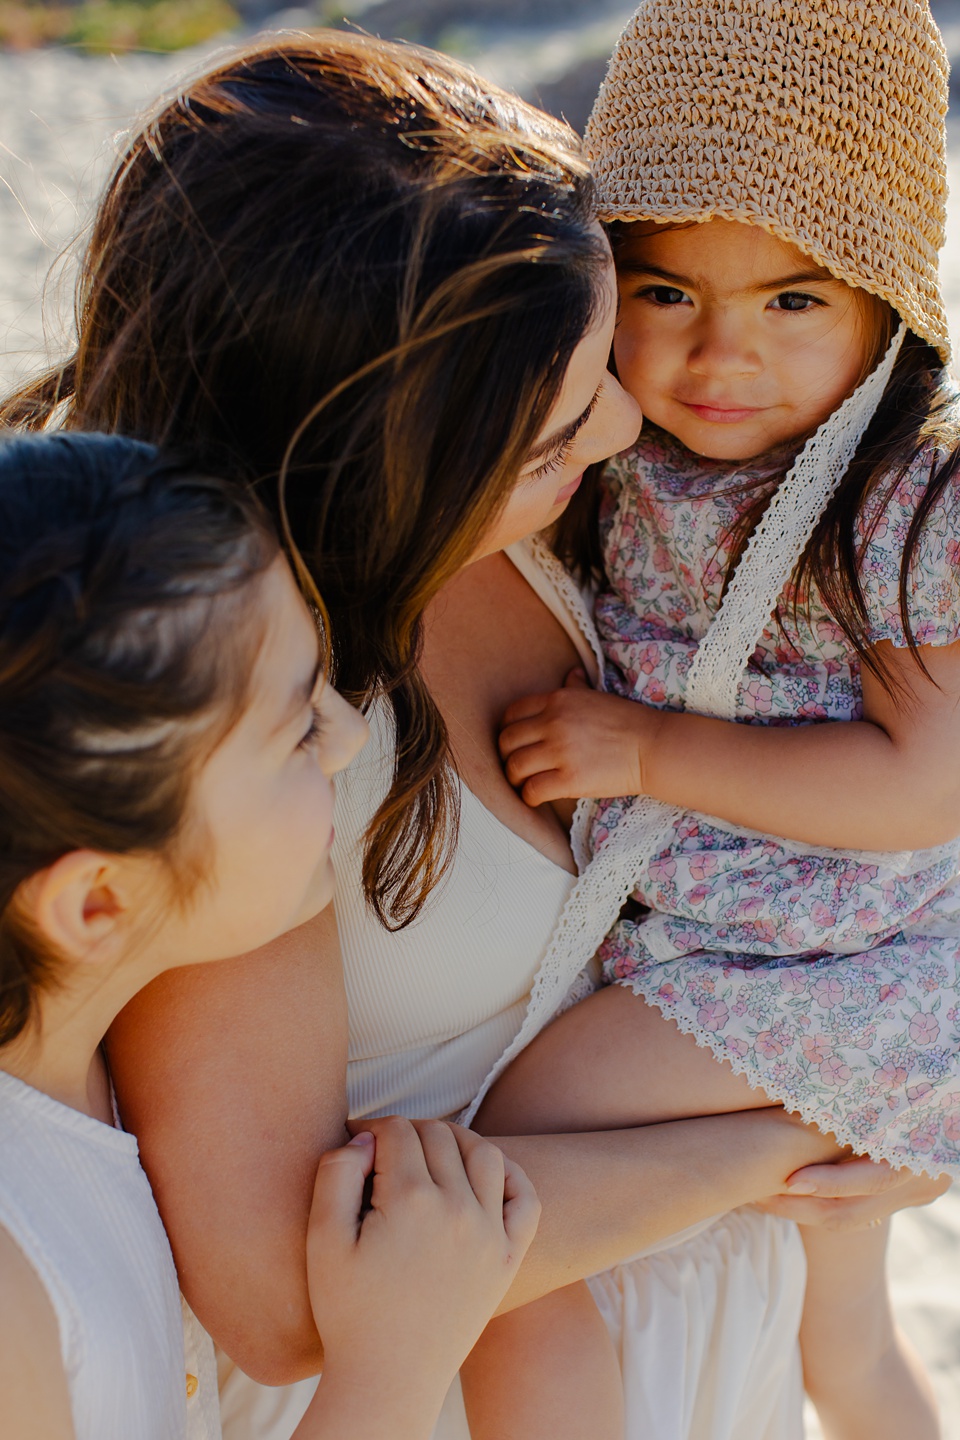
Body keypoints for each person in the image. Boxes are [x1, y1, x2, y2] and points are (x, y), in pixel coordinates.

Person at [2, 31, 946, 1440]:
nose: (630, 428)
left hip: (671, 1337)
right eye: (559, 433)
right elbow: (276, 1292)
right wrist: (796, 1131)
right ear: (392, 461)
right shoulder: (266, 739)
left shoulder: (585, 523)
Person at [471, 1, 958, 1436]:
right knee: (842, 1344)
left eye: (792, 302)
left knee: (511, 1152)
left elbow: (925, 787)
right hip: (731, 944)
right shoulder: (630, 463)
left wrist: (650, 753)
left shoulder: (903, 503)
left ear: (883, 313)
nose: (717, 357)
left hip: (832, 968)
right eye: (668, 294)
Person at [0, 430, 540, 1440]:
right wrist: (389, 1369)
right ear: (97, 905)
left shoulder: (92, 1077)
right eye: (296, 728)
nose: (346, 739)